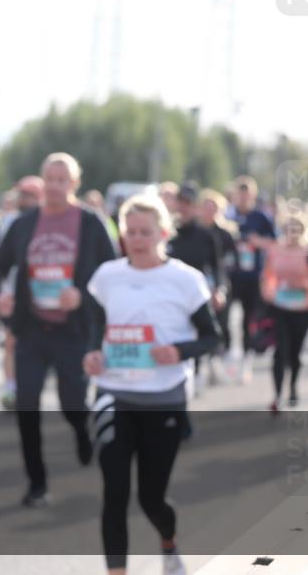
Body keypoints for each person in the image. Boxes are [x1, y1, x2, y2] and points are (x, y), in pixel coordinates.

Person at [84, 195, 221, 575]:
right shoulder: (107, 276)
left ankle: (169, 544)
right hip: (113, 394)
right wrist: (92, 352)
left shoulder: (186, 280)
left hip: (163, 398)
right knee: (114, 493)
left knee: (151, 498)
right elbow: (95, 325)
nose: (137, 239)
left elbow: (213, 337)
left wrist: (179, 351)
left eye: (146, 232)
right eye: (130, 232)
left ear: (163, 233)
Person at [0, 152, 116, 507]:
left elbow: (111, 274)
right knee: (26, 405)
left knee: (72, 404)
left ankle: (82, 432)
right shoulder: (25, 222)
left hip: (73, 332)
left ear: (75, 184)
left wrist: (82, 295)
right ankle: (37, 483)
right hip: (32, 329)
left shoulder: (90, 223)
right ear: (43, 181)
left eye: (63, 180)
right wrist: (1, 295)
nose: (56, 186)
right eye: (50, 179)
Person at [165, 182, 226, 393]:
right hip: (170, 294)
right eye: (180, 202)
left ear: (195, 206)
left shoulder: (206, 236)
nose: (184, 207)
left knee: (197, 334)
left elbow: (217, 266)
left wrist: (219, 289)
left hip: (196, 295)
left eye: (188, 203)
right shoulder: (167, 234)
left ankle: (196, 372)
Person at [259, 213, 308, 411]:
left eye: (296, 229)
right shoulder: (275, 250)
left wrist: (304, 285)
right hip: (280, 307)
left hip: (302, 309)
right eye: (289, 228)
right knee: (280, 350)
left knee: (295, 352)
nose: (292, 233)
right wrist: (269, 292)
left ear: (303, 231)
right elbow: (267, 276)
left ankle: (293, 386)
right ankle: (277, 395)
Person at [0, 176, 44, 409]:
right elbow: (0, 263)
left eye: (29, 195)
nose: (23, 199)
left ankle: (29, 390)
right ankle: (11, 389)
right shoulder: (12, 222)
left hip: (43, 296)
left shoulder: (48, 223)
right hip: (15, 294)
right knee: (11, 341)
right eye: (21, 195)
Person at [228, 176, 276, 383]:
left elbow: (274, 242)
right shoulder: (228, 215)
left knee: (249, 319)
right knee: (225, 317)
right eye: (240, 195)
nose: (243, 199)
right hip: (231, 275)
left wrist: (257, 241)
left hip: (253, 275)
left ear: (253, 196)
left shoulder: (261, 217)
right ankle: (228, 354)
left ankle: (246, 360)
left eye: (246, 195)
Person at [199, 188, 240, 374]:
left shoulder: (225, 234)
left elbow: (232, 260)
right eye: (206, 207)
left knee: (222, 322)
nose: (209, 211)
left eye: (213, 207)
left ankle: (217, 355)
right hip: (199, 284)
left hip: (220, 283)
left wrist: (220, 281)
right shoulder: (196, 232)